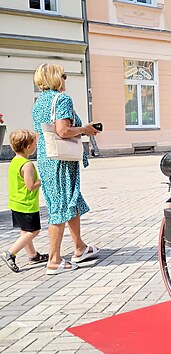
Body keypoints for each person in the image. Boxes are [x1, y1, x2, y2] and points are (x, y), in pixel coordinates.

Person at [32, 63, 101, 275]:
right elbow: (63, 131)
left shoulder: (39, 102)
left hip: (47, 159)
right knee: (60, 207)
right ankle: (54, 260)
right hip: (61, 162)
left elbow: (40, 134)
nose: (65, 79)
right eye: (63, 75)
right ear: (55, 78)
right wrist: (85, 130)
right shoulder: (62, 99)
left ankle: (79, 247)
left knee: (72, 201)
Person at [1, 130, 49, 273]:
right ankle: (10, 253)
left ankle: (33, 255)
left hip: (15, 203)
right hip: (27, 204)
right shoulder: (27, 165)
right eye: (35, 143)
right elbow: (30, 185)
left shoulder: (15, 161)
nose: (36, 146)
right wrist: (42, 180)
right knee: (33, 231)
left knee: (25, 230)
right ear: (28, 147)